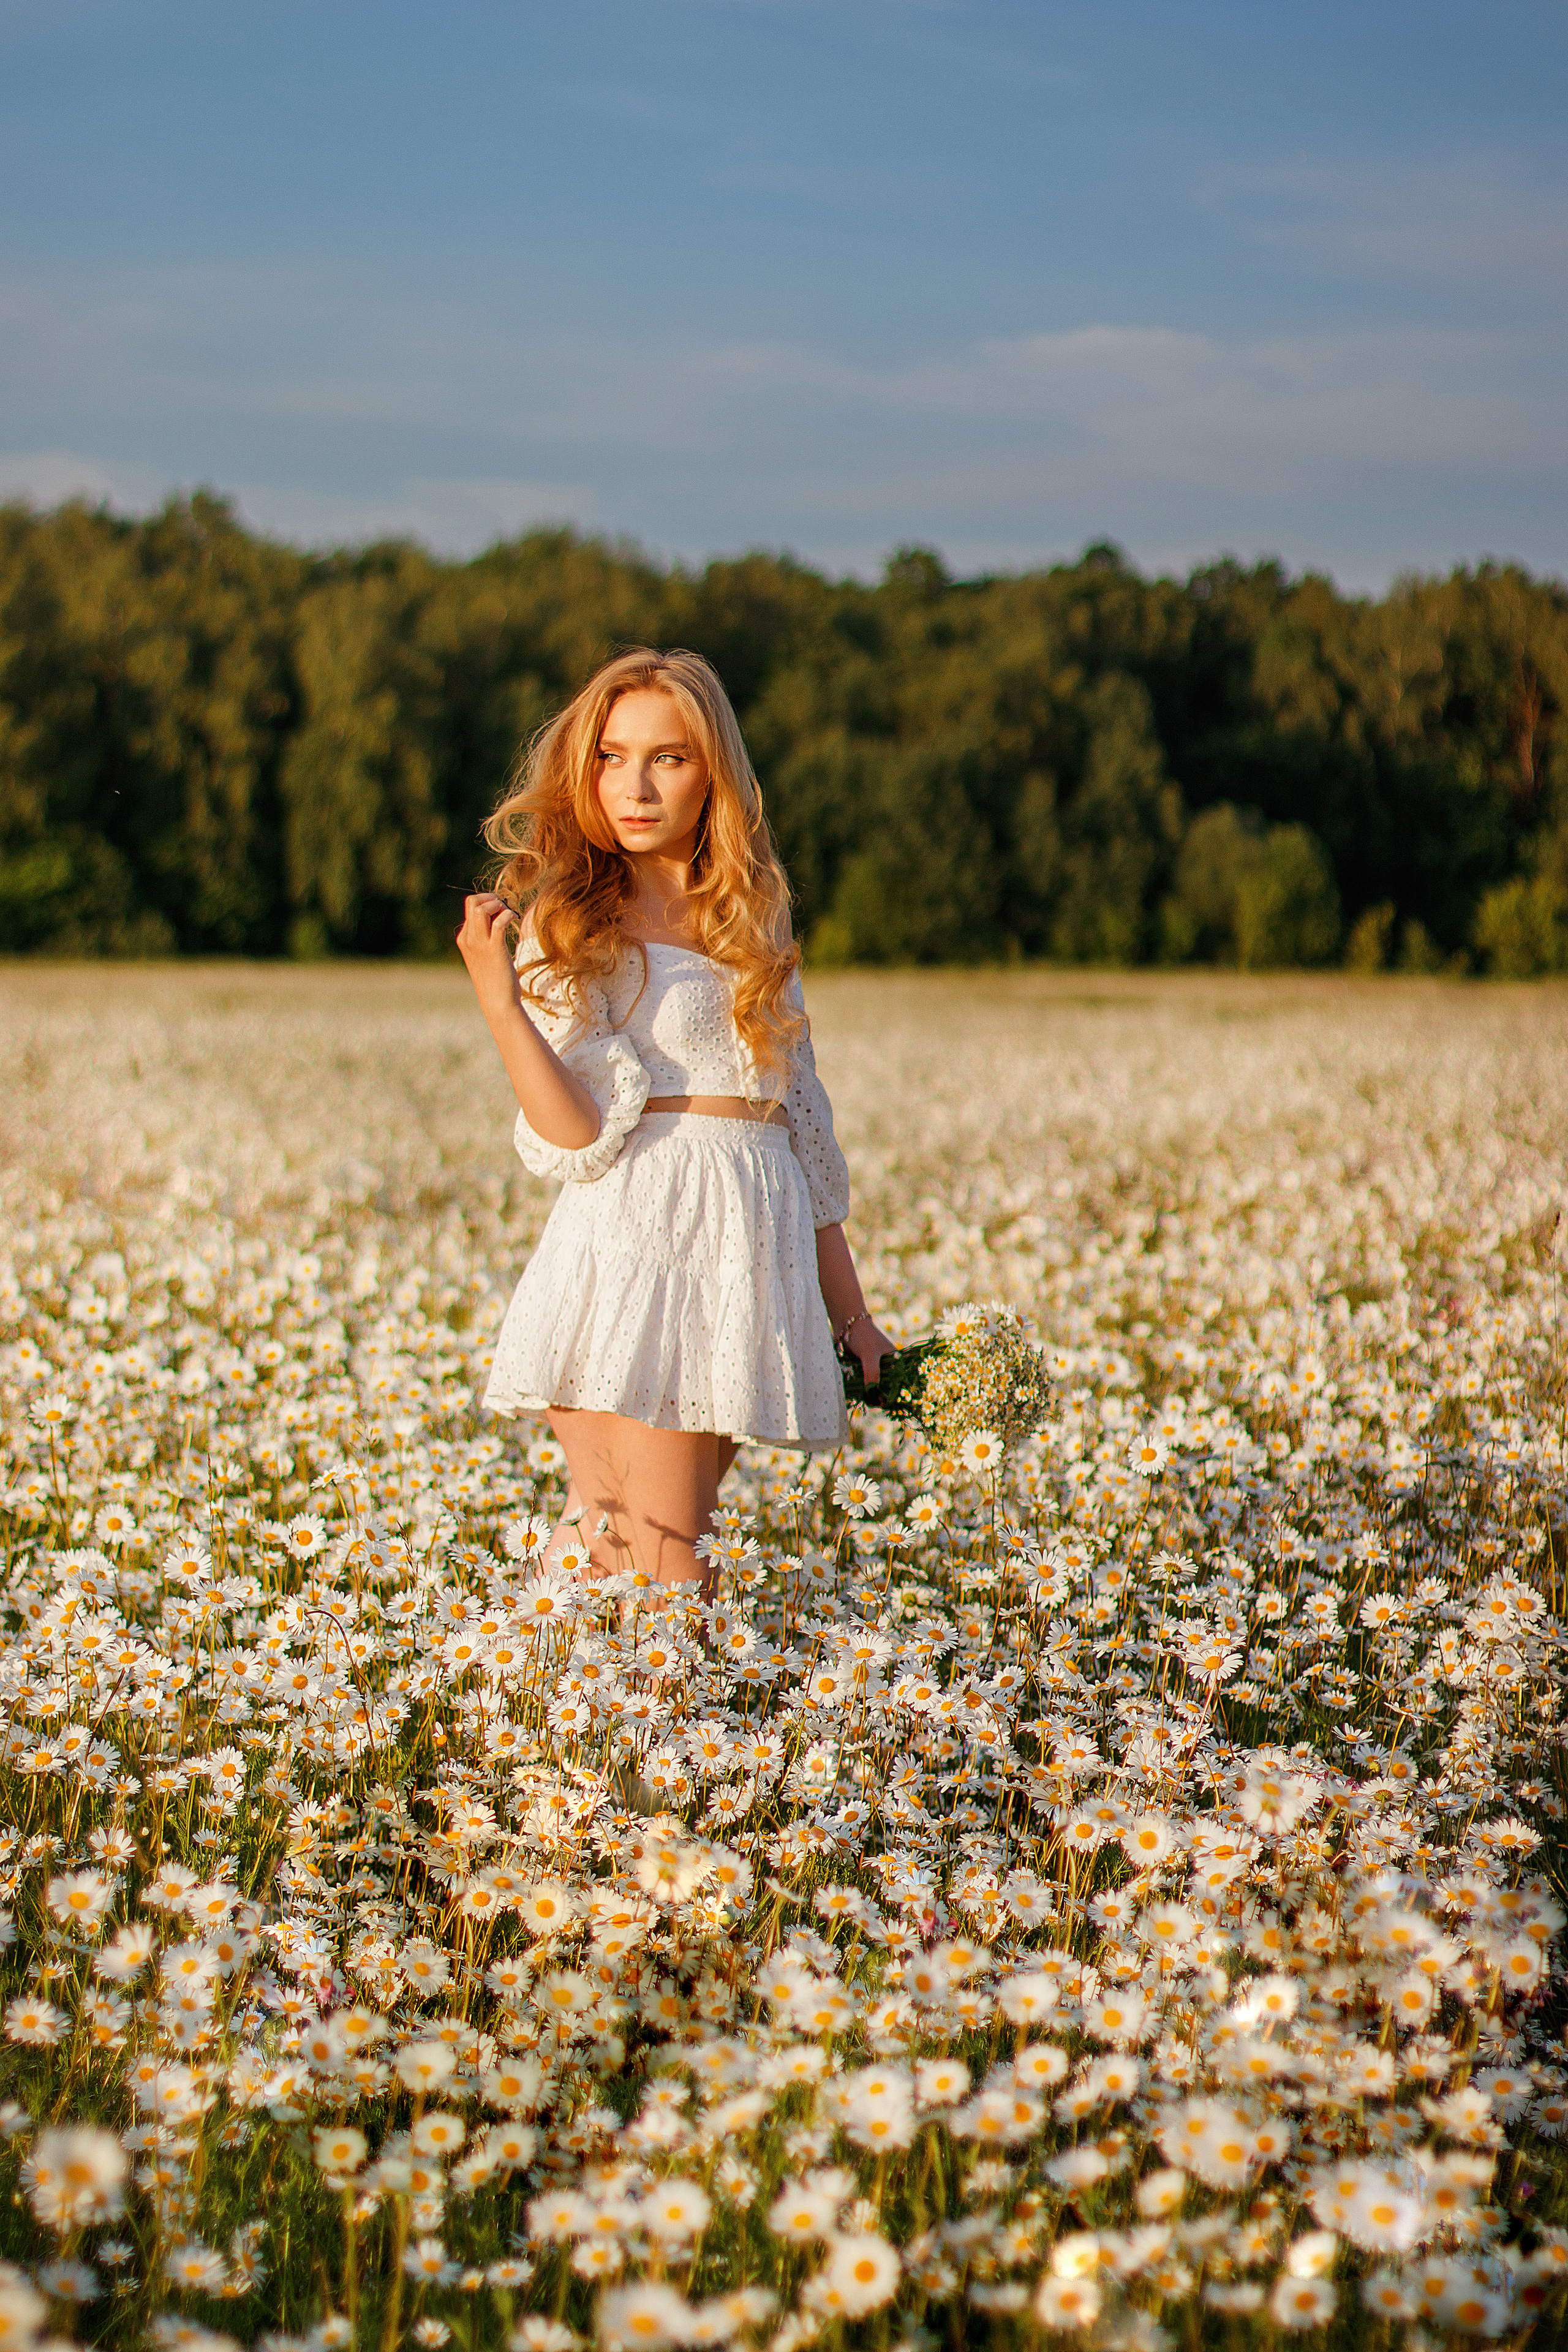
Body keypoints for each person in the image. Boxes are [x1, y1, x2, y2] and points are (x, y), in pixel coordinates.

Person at [455, 647, 895, 1595]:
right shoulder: (574, 918)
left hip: (743, 1261)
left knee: (607, 1551)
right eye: (611, 757)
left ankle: (511, 1710)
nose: (635, 786)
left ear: (715, 772)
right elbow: (574, 1136)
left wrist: (852, 1314)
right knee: (673, 1570)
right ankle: (668, 1738)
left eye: (668, 758)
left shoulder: (754, 915)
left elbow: (802, 1127)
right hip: (637, 1257)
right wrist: (501, 1000)